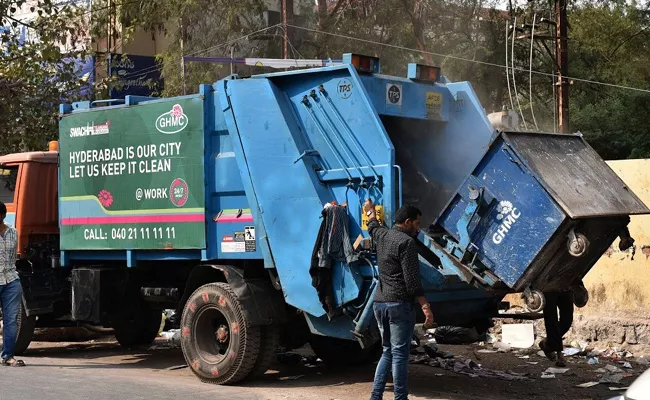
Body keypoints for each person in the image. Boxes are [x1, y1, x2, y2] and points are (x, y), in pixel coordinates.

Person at [364, 199, 434, 400]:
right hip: (399, 305)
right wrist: (426, 307)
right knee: (400, 354)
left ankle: (376, 396)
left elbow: (372, 226)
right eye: (417, 223)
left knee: (387, 351)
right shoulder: (407, 243)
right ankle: (400, 397)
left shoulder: (383, 235)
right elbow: (412, 281)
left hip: (379, 303)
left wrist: (369, 211)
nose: (418, 227)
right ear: (407, 222)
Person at [0, 201, 25, 367]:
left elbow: (13, 258)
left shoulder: (12, 232)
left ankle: (8, 356)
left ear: (2, 216)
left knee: (11, 321)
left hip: (11, 281)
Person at [539, 289, 575, 368]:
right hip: (548, 286)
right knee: (551, 319)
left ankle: (548, 342)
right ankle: (559, 354)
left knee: (567, 320)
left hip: (565, 285)